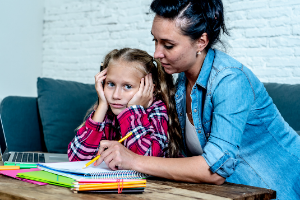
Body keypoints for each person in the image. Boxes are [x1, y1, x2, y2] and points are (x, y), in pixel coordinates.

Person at [93, 0, 300, 199]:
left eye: (168, 45)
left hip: (277, 187)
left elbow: (215, 170)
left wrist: (134, 160)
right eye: (155, 41)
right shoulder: (182, 81)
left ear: (201, 42)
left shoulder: (230, 80)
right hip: (232, 191)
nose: (157, 53)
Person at [68, 48, 182, 161]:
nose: (116, 95)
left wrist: (133, 111)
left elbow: (146, 161)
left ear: (149, 89)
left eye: (127, 86)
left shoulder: (157, 110)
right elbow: (77, 157)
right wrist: (102, 106)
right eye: (111, 84)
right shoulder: (108, 111)